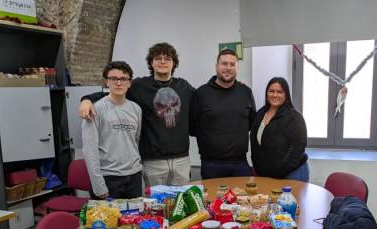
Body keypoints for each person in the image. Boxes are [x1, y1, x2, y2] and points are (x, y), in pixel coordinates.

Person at [79, 43, 195, 187]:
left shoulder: (184, 87)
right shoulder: (139, 86)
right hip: (152, 162)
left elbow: (202, 102)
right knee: (156, 206)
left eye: (168, 58)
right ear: (151, 62)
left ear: (174, 63)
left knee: (181, 205)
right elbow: (114, 91)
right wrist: (87, 99)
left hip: (181, 160)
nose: (163, 62)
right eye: (158, 58)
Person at [191, 49, 256, 179]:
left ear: (237, 67)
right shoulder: (201, 93)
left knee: (243, 199)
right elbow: (192, 127)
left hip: (240, 163)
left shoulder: (246, 92)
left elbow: (251, 123)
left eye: (232, 64)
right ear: (216, 66)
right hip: (211, 164)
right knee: (213, 199)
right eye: (224, 64)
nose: (228, 68)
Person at [82, 61, 143, 199]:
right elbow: (89, 150)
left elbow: (135, 141)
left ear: (129, 83)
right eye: (113, 79)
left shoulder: (136, 109)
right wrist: (98, 185)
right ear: (106, 82)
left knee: (135, 219)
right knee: (109, 220)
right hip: (109, 178)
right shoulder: (95, 109)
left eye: (123, 79)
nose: (119, 83)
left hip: (134, 177)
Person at [250, 77, 309, 181]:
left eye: (279, 92)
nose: (275, 95)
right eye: (271, 91)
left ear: (286, 94)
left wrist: (277, 173)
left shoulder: (295, 117)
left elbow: (296, 150)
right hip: (267, 175)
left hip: (293, 173)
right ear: (266, 93)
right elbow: (255, 146)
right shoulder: (259, 114)